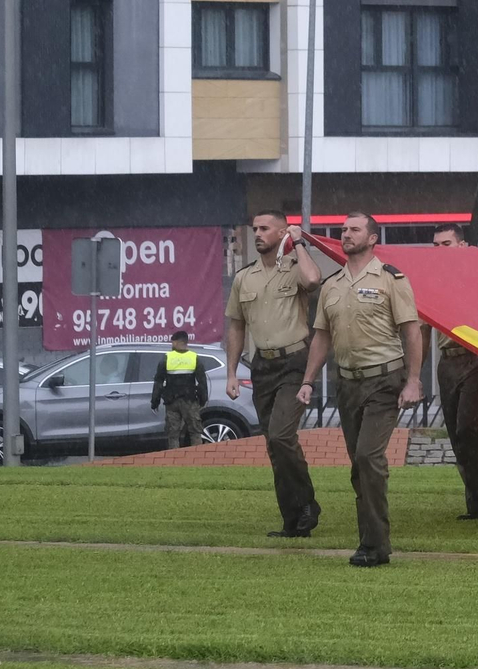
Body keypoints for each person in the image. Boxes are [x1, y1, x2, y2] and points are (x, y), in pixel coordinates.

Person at [298, 213, 424, 567]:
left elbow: (411, 331)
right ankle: (369, 540)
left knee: (369, 456)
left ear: (372, 239)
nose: (345, 234)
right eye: (343, 230)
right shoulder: (332, 284)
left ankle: (375, 545)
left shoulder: (391, 279)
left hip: (385, 380)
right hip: (347, 383)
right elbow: (321, 336)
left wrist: (413, 380)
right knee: (360, 465)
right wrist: (308, 381)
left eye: (354, 229)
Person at [224, 212, 323, 538]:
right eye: (255, 229)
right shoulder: (244, 278)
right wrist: (231, 373)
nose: (258, 234)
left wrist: (299, 243)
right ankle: (292, 521)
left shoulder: (295, 268)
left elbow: (312, 281)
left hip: (294, 362)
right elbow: (236, 326)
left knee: (281, 435)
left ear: (282, 232)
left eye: (265, 229)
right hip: (262, 367)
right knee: (274, 446)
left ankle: (308, 503)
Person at [431, 226, 478, 519]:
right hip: (447, 361)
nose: (441, 250)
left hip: (477, 360)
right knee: (456, 435)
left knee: (467, 427)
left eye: (447, 243)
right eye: (436, 245)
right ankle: (476, 498)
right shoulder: (432, 282)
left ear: (463, 245)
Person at [151, 330, 211, 450]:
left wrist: (155, 402)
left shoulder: (167, 358)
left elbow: (158, 382)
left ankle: (174, 461)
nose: (171, 345)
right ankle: (197, 458)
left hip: (171, 402)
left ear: (177, 342)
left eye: (172, 342)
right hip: (190, 401)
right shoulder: (194, 358)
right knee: (195, 432)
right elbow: (202, 383)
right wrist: (203, 400)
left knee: (173, 434)